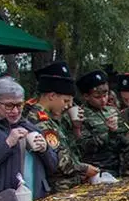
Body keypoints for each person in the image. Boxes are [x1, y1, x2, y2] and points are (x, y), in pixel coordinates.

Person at [25, 63, 99, 191]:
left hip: (69, 183)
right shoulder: (39, 120)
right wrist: (84, 169)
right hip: (57, 187)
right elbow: (59, 161)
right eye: (65, 101)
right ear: (52, 96)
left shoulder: (51, 118)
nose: (67, 106)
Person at [0, 77, 57, 201]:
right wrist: (7, 144)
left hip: (37, 200)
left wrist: (45, 150)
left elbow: (53, 167)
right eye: (9, 106)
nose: (15, 111)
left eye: (19, 105)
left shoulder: (30, 126)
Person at [77, 70, 128, 177]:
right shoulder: (80, 115)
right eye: (97, 97)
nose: (103, 100)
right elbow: (83, 146)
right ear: (86, 96)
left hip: (119, 167)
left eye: (105, 95)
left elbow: (123, 139)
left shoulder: (112, 111)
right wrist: (108, 133)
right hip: (97, 170)